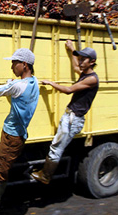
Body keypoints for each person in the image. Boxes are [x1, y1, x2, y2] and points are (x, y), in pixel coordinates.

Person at [0, 48, 39, 210]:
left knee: (1, 165)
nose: (12, 67)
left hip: (13, 134)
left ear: (24, 65)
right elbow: (17, 87)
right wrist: (13, 83)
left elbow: (0, 90)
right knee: (1, 160)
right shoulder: (34, 82)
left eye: (14, 64)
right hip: (18, 133)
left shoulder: (18, 86)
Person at [31, 40, 99, 184]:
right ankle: (45, 174)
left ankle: (46, 176)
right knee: (56, 145)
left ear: (92, 62)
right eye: (80, 59)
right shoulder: (85, 74)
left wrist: (51, 83)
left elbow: (68, 90)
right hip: (71, 116)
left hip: (73, 119)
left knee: (57, 147)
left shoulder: (92, 79)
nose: (80, 62)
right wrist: (72, 49)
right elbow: (75, 66)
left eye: (84, 60)